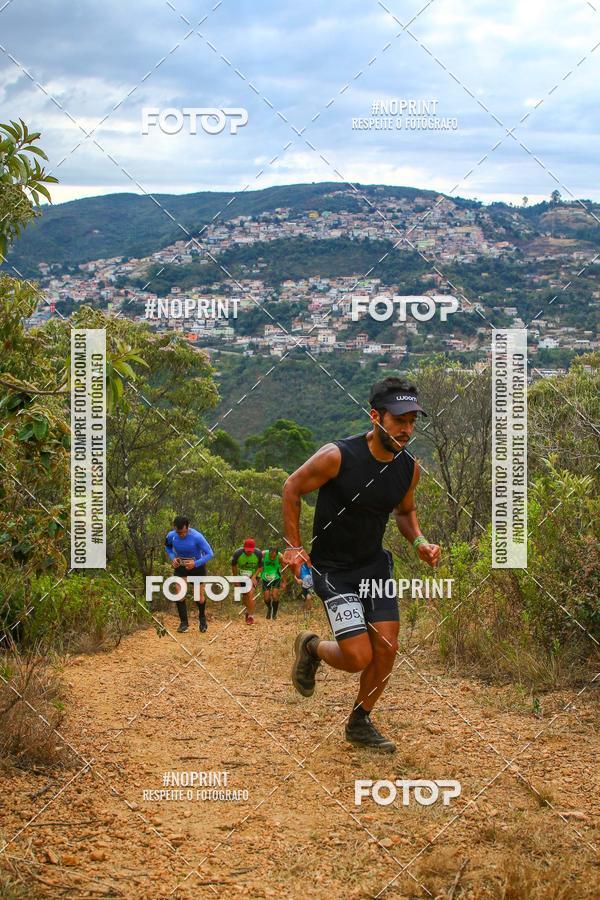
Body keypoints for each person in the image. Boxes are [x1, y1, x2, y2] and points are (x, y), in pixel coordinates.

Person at [282, 377, 440, 753]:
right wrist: (295, 548)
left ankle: (360, 721)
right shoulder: (338, 456)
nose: (406, 428)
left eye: (412, 420)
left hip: (373, 567)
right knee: (356, 657)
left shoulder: (408, 468)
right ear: (376, 417)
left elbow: (405, 511)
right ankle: (312, 648)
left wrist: (419, 541)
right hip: (333, 569)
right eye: (399, 419)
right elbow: (291, 487)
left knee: (387, 645)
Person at [164, 516, 214, 633]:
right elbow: (167, 547)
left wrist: (195, 564)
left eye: (183, 532)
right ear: (174, 528)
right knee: (179, 593)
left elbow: (210, 554)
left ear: (188, 527)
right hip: (181, 566)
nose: (181, 534)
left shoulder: (197, 537)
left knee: (199, 598)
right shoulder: (171, 535)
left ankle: (202, 620)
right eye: (178, 532)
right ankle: (184, 623)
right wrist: (173, 558)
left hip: (197, 567)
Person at [231, 538, 263, 625]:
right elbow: (234, 566)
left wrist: (254, 576)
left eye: (251, 550)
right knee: (245, 596)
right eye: (247, 550)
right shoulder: (238, 554)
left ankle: (251, 616)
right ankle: (248, 611)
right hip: (242, 577)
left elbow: (261, 567)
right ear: (244, 548)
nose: (249, 552)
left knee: (250, 593)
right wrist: (235, 579)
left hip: (254, 576)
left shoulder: (258, 553)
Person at [257, 547, 283, 619]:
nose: (272, 557)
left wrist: (284, 580)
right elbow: (258, 561)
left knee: (274, 596)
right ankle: (269, 608)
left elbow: (284, 567)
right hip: (266, 578)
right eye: (271, 556)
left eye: (274, 556)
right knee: (266, 598)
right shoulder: (264, 554)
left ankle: (274, 614)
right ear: (269, 553)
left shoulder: (280, 556)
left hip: (276, 577)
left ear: (276, 554)